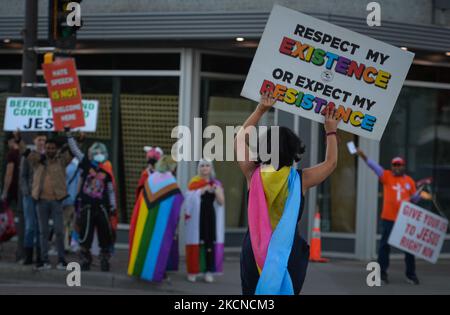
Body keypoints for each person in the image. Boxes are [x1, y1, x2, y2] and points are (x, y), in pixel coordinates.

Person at [235, 91, 340, 295]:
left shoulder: (252, 174)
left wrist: (260, 110)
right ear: (294, 151)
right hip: (289, 252)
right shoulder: (301, 179)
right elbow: (331, 163)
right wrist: (330, 131)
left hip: (255, 251)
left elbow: (239, 140)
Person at [356, 149, 421, 285]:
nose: (397, 167)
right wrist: (363, 155)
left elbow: (415, 200)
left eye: (399, 165)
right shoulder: (386, 176)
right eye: (394, 165)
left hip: (404, 219)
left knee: (409, 248)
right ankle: (382, 274)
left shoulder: (409, 181)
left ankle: (411, 274)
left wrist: (417, 197)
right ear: (392, 166)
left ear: (403, 166)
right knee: (384, 246)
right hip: (389, 218)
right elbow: (374, 167)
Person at [19, 134, 72, 270]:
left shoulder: (62, 161)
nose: (50, 150)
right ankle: (44, 260)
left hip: (56, 201)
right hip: (41, 201)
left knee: (59, 231)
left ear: (56, 149)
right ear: (45, 149)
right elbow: (25, 151)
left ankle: (61, 260)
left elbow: (73, 151)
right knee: (43, 232)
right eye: (48, 148)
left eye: (52, 148)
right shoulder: (37, 160)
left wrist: (79, 139)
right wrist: (19, 139)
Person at [66, 129, 116, 272]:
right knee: (85, 235)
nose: (98, 155)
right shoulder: (86, 164)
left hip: (102, 208)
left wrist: (113, 207)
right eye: (96, 152)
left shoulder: (106, 172)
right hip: (87, 207)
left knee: (105, 235)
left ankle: (104, 260)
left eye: (101, 152)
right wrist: (69, 135)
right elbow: (75, 150)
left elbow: (111, 190)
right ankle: (85, 259)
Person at [128, 155, 183, 282]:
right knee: (159, 245)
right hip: (161, 222)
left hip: (145, 219)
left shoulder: (151, 178)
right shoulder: (171, 182)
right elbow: (177, 200)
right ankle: (158, 272)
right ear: (172, 167)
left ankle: (140, 270)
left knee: (145, 242)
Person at [184, 159, 225, 283]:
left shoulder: (216, 183)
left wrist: (216, 190)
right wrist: (200, 191)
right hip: (196, 217)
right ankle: (193, 271)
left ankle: (208, 271)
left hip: (210, 216)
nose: (205, 168)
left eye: (207, 165)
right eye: (202, 166)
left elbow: (221, 202)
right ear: (199, 168)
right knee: (196, 243)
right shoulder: (194, 183)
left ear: (211, 168)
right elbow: (187, 200)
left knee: (209, 243)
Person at [19, 132, 46, 265]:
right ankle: (28, 255)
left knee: (41, 227)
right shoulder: (28, 155)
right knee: (30, 226)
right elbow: (23, 175)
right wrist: (26, 191)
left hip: (43, 196)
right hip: (30, 195)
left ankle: (40, 255)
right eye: (39, 139)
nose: (41, 142)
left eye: (44, 140)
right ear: (35, 141)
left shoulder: (48, 157)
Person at [2, 133, 23, 262]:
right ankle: (20, 250)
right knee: (22, 218)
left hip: (12, 189)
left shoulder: (11, 154)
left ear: (10, 141)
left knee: (2, 217)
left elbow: (9, 173)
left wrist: (4, 191)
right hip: (21, 189)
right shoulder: (21, 152)